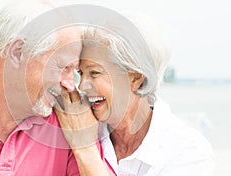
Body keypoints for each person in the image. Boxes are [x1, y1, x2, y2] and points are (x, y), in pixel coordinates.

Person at [0, 0, 111, 175]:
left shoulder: (70, 125)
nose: (70, 84)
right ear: (18, 53)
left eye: (75, 71)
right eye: (64, 67)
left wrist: (85, 148)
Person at [55, 16, 215, 175]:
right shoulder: (75, 125)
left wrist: (85, 147)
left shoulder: (190, 152)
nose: (82, 85)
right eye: (81, 73)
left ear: (136, 78)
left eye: (95, 73)